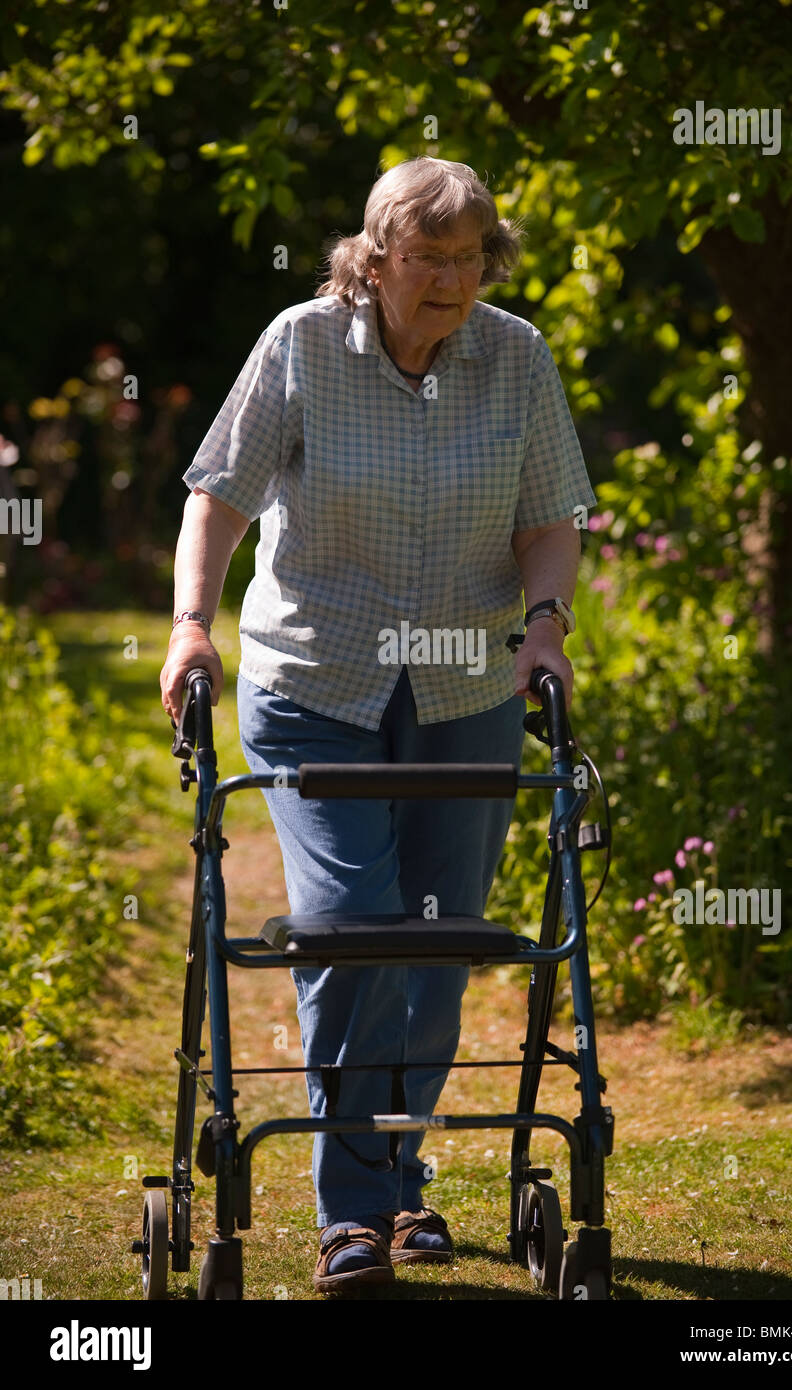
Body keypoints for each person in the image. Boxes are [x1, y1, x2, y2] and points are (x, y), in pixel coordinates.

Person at [159, 155, 595, 1293]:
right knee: (352, 923)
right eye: (427, 258)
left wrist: (544, 624)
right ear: (374, 257)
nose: (450, 280)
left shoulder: (517, 357)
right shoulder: (302, 344)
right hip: (317, 680)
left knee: (439, 945)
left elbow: (550, 516)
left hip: (464, 689)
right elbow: (218, 495)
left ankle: (402, 1190)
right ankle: (350, 1211)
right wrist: (188, 627)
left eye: (468, 259)